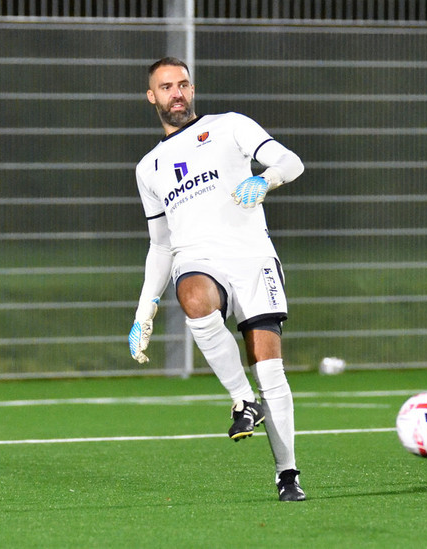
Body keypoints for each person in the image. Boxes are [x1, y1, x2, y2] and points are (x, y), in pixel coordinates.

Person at [127, 57, 306, 502]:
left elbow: (291, 160)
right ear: (152, 97)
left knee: (271, 371)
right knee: (193, 296)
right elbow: (161, 245)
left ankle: (288, 475)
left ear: (192, 89)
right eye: (166, 87)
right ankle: (242, 400)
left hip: (253, 258)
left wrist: (268, 180)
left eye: (183, 84)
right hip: (198, 259)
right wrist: (144, 310)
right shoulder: (149, 167)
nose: (177, 94)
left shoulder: (230, 126)